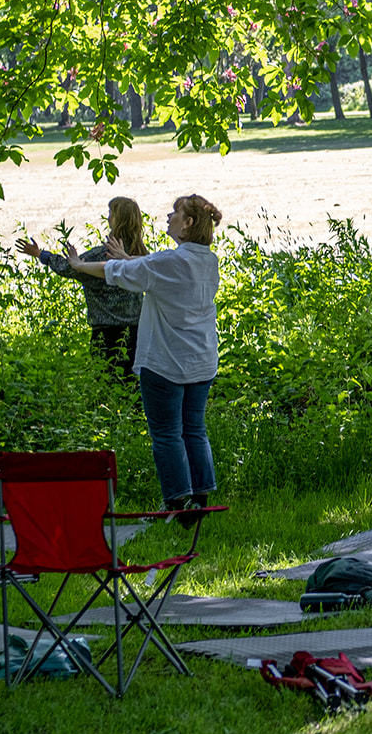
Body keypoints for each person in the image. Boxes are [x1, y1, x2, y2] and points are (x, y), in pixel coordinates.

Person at [67, 194, 223, 513]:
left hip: (166, 362)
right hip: (202, 360)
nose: (168, 216)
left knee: (166, 434)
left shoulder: (169, 262)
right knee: (194, 428)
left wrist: (79, 265)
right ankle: (201, 497)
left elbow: (118, 273)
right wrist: (128, 257)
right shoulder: (208, 261)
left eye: (175, 213)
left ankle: (176, 503)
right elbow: (144, 269)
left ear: (188, 223)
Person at [16, 197, 147, 379]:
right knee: (132, 383)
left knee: (106, 382)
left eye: (111, 214)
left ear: (118, 220)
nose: (108, 218)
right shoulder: (143, 255)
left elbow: (68, 267)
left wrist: (40, 254)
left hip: (106, 332)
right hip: (137, 331)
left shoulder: (104, 254)